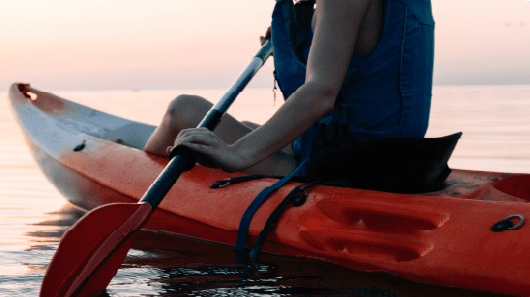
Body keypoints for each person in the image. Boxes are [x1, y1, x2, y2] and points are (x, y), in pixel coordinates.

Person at [142, 0, 435, 177]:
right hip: (394, 159)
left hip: (347, 169)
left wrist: (238, 154)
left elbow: (321, 92)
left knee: (182, 110)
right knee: (242, 126)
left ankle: (133, 172)